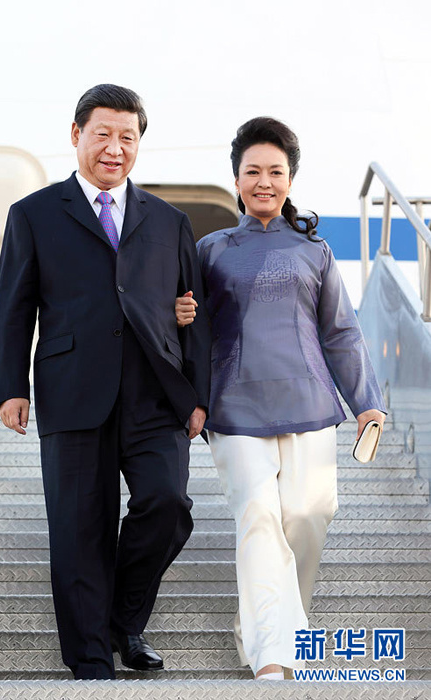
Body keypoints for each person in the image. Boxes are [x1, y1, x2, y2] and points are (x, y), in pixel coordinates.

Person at [0, 84, 211, 681]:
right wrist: (10, 387)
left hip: (155, 394)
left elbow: (194, 310)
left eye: (128, 137)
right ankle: (91, 662)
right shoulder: (34, 213)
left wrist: (198, 396)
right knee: (79, 526)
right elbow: (14, 306)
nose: (115, 148)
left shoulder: (169, 221)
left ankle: (122, 621)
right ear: (76, 135)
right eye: (103, 135)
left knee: (167, 504)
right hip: (72, 389)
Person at [175, 116, 386, 680]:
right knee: (260, 515)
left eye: (275, 171)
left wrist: (367, 400)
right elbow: (189, 330)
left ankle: (267, 624)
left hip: (311, 402)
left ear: (290, 178)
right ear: (236, 179)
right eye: (252, 171)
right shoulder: (210, 249)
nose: (263, 181)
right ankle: (274, 657)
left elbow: (341, 331)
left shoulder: (314, 250)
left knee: (310, 512)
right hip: (235, 406)